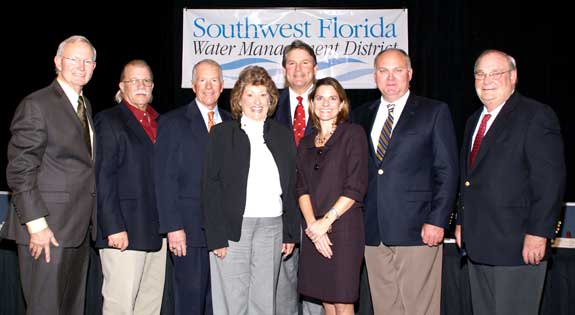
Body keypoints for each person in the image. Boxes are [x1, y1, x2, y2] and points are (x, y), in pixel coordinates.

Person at [455, 49, 566, 315]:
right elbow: (468, 180)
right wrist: (461, 221)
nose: (487, 80)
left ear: (513, 77)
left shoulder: (535, 115)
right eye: (480, 74)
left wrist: (539, 233)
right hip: (478, 243)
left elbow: (550, 180)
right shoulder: (473, 121)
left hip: (518, 245)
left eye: (496, 73)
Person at [352, 48, 458, 315]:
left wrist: (438, 220)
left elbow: (446, 171)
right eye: (383, 71)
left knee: (418, 308)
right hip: (373, 230)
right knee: (386, 307)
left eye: (397, 70)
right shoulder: (361, 115)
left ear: (409, 74)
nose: (390, 77)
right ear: (374, 76)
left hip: (419, 229)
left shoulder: (433, 111)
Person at [1, 35, 97, 314]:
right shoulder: (37, 104)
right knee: (46, 309)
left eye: (87, 61)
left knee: (70, 308)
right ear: (57, 62)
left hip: (77, 230)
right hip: (46, 232)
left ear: (94, 67)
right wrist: (36, 226)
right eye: (73, 59)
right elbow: (20, 169)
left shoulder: (85, 106)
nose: (81, 66)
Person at [202, 65, 300, 315]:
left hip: (272, 228)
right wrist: (216, 237)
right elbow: (210, 187)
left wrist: (290, 233)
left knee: (264, 302)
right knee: (232, 302)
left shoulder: (282, 135)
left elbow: (290, 188)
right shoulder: (222, 134)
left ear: (271, 99)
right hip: (233, 229)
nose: (257, 102)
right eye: (250, 95)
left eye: (263, 95)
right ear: (239, 99)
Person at [155, 59, 231, 315]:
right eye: (202, 80)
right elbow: (164, 179)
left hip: (226, 234)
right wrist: (173, 227)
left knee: (218, 303)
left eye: (214, 81)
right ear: (192, 85)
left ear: (222, 86)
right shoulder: (172, 122)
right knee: (190, 301)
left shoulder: (234, 124)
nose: (208, 86)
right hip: (188, 231)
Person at [95, 60, 166, 314]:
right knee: (120, 306)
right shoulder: (109, 120)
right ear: (121, 86)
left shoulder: (161, 123)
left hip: (157, 233)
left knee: (149, 306)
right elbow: (103, 177)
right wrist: (113, 227)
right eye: (134, 81)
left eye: (146, 81)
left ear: (153, 86)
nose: (141, 85)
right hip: (123, 233)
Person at [296, 77, 368, 315]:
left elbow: (355, 187)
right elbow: (301, 188)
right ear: (312, 104)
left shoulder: (353, 134)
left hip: (343, 228)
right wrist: (313, 228)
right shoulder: (305, 142)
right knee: (326, 298)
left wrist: (326, 222)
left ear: (341, 104)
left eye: (332, 98)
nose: (325, 103)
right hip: (314, 230)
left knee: (342, 300)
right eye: (319, 98)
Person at [274, 39, 324, 315]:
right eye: (291, 63)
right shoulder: (269, 106)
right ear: (284, 70)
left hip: (320, 213)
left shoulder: (332, 103)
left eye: (305, 63)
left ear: (315, 68)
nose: (298, 69)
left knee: (318, 292)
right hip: (279, 213)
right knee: (282, 291)